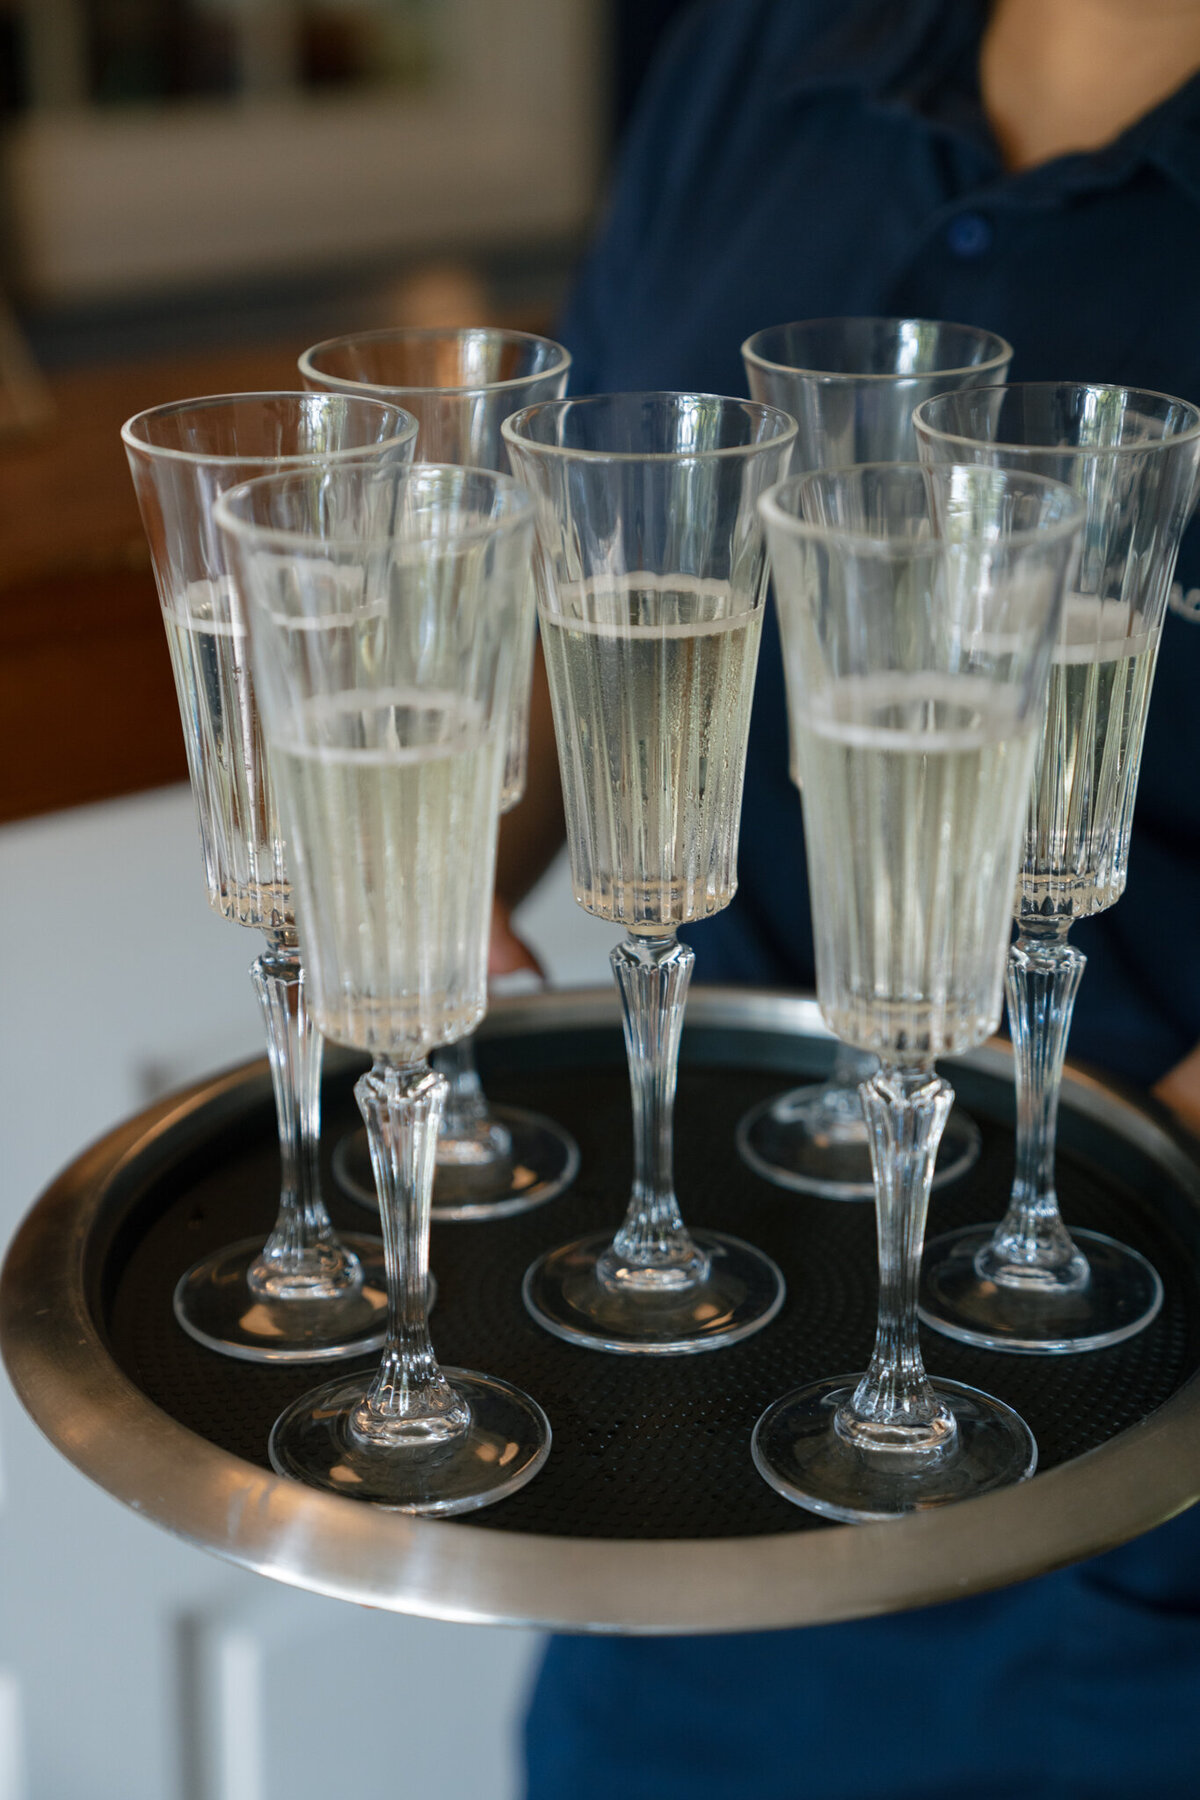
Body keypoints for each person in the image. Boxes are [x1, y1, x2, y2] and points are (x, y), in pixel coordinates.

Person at [504, 3, 1200, 1795]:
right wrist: (437, 852)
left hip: (1132, 1510)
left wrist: (1131, 1207)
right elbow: (589, 543)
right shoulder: (761, 42)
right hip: (680, 1442)